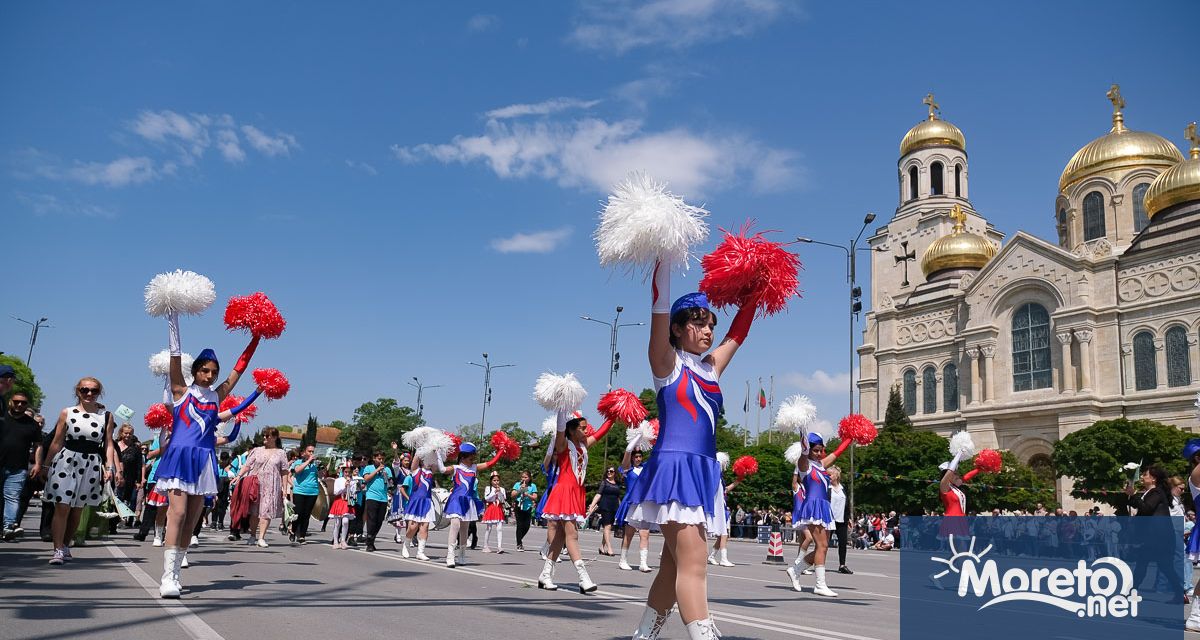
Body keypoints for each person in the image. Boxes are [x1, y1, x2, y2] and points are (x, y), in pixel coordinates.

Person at [626, 272, 759, 640]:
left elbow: (739, 333)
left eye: (710, 323)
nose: (707, 330)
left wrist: (758, 288)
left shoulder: (711, 367)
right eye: (698, 322)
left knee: (673, 568)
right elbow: (659, 309)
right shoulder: (666, 364)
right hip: (675, 470)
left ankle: (644, 636)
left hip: (702, 472)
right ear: (678, 328)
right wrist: (663, 263)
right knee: (695, 565)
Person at [153, 313, 261, 598]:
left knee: (191, 519)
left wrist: (257, 336)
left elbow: (240, 368)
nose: (210, 376)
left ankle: (176, 573)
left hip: (204, 462)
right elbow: (175, 355)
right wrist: (173, 315)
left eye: (214, 371)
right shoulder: (180, 390)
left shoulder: (217, 397)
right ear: (196, 371)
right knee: (177, 513)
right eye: (205, 370)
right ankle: (167, 577)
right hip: (179, 458)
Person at [41, 378, 119, 564]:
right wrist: (45, 464)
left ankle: (66, 545)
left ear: (99, 393)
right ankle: (57, 549)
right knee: (62, 506)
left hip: (90, 464)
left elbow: (108, 444)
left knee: (77, 510)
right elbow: (57, 441)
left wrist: (110, 467)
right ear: (78, 392)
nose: (89, 394)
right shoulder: (67, 412)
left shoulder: (106, 416)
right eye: (85, 390)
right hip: (66, 461)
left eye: (94, 390)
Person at [785, 432, 850, 597]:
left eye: (821, 450)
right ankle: (820, 585)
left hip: (824, 507)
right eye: (816, 450)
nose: (820, 453)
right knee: (822, 546)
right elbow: (804, 451)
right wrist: (802, 429)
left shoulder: (821, 463)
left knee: (824, 547)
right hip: (813, 507)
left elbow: (838, 452)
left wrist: (851, 436)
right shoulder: (804, 464)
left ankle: (796, 569)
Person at [438, 441, 502, 567]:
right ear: (463, 457)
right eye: (471, 458)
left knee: (464, 529)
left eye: (474, 458)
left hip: (468, 500)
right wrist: (438, 453)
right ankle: (450, 555)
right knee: (455, 524)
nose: (473, 460)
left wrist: (501, 450)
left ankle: (461, 554)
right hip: (456, 500)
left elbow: (491, 463)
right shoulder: (455, 468)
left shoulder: (474, 468)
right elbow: (442, 469)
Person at [233, 427, 288, 549]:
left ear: (274, 437)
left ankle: (261, 537)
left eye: (267, 436)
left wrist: (285, 488)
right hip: (256, 484)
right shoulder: (257, 450)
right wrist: (239, 476)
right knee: (254, 512)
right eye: (264, 435)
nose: (264, 438)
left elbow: (284, 471)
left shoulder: (281, 453)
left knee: (266, 511)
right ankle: (252, 535)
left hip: (272, 485)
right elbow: (247, 466)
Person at [2, 391, 43, 540]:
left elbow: (38, 445)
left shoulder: (32, 424)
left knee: (12, 497)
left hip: (18, 468)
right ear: (10, 402)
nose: (19, 404)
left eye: (23, 402)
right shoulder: (2, 418)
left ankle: (9, 526)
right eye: (16, 401)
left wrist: (38, 464)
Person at [615, 445, 652, 572]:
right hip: (631, 502)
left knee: (645, 533)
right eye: (635, 456)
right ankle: (623, 560)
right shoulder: (627, 469)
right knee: (629, 534)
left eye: (640, 456)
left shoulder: (645, 468)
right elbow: (625, 460)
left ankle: (643, 563)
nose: (638, 458)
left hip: (644, 503)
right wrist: (631, 445)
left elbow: (655, 459)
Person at [359, 451, 394, 552]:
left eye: (382, 459)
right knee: (372, 519)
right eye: (379, 459)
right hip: (372, 496)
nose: (381, 460)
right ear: (374, 458)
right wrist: (377, 470)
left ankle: (371, 540)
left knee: (379, 521)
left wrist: (388, 478)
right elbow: (366, 479)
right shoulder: (369, 468)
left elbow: (390, 483)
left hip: (383, 497)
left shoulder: (387, 469)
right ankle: (369, 543)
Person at [402, 456, 435, 559]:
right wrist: (420, 448)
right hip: (416, 502)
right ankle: (406, 544)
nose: (429, 462)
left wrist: (434, 451)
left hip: (427, 502)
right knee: (413, 527)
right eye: (427, 460)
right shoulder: (416, 470)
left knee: (424, 527)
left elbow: (437, 465)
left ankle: (420, 552)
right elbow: (415, 461)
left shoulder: (430, 472)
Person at [707, 475, 743, 568]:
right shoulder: (714, 488)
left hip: (723, 512)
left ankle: (712, 556)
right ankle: (723, 559)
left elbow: (727, 489)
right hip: (717, 512)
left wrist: (738, 480)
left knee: (722, 536)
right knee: (724, 535)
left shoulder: (721, 491)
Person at [586, 466, 622, 556]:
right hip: (605, 506)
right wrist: (592, 506)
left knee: (608, 528)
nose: (609, 472)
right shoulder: (604, 482)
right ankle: (609, 548)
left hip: (614, 507)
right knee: (607, 526)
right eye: (608, 471)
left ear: (615, 473)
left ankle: (602, 547)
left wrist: (621, 509)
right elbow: (598, 495)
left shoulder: (617, 484)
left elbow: (618, 498)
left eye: (611, 471)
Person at [289, 444, 321, 544]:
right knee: (298, 513)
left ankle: (302, 535)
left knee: (306, 514)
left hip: (312, 492)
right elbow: (297, 471)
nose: (311, 453)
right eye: (309, 451)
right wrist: (308, 461)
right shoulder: (298, 462)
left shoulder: (315, 464)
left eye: (313, 451)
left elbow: (320, 476)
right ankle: (293, 531)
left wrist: (321, 469)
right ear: (304, 453)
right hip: (299, 491)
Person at [113, 424, 143, 528]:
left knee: (127, 499)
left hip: (130, 478)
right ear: (121, 433)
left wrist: (139, 481)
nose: (128, 435)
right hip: (115, 476)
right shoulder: (115, 445)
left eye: (130, 434)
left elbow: (139, 466)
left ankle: (123, 519)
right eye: (126, 433)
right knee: (115, 499)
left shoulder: (135, 449)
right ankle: (114, 522)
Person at [827, 467, 851, 574]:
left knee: (842, 543)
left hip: (842, 519)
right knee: (824, 543)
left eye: (830, 474)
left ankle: (842, 565)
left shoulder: (843, 488)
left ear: (837, 476)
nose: (829, 476)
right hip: (829, 519)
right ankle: (819, 563)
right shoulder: (827, 488)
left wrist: (849, 517)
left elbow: (847, 504)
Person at [329, 462, 356, 549]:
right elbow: (335, 492)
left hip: (347, 502)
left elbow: (353, 492)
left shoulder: (353, 481)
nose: (347, 474)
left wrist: (352, 486)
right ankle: (336, 541)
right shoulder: (338, 480)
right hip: (339, 501)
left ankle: (343, 540)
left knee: (345, 521)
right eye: (346, 472)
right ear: (343, 472)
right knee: (337, 523)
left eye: (349, 472)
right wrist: (344, 487)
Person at [387, 446, 411, 543]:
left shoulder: (411, 471)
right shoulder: (399, 470)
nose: (407, 462)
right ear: (402, 461)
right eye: (405, 460)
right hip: (400, 493)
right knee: (399, 515)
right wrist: (395, 451)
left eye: (408, 460)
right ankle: (398, 534)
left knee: (408, 516)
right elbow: (396, 462)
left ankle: (409, 537)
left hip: (409, 492)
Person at [510, 470, 538, 551]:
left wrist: (528, 495)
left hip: (528, 507)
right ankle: (519, 544)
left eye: (526, 477)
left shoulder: (533, 486)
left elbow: (535, 497)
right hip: (519, 506)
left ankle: (519, 538)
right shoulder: (517, 484)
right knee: (519, 525)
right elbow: (512, 495)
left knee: (526, 526)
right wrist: (520, 490)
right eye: (522, 477)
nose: (524, 479)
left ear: (529, 478)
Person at [481, 472, 507, 553]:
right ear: (491, 481)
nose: (496, 482)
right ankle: (485, 546)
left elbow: (503, 500)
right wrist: (494, 492)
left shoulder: (502, 489)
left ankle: (499, 547)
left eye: (498, 480)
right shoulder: (488, 488)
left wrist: (499, 492)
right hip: (491, 508)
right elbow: (487, 498)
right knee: (489, 528)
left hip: (498, 508)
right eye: (494, 480)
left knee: (499, 528)